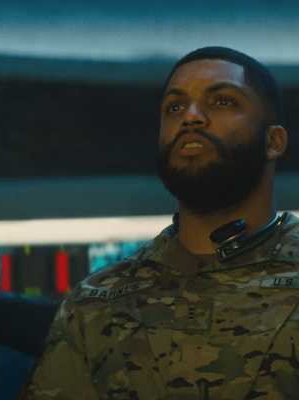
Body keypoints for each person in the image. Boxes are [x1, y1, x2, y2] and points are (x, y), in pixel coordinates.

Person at [20, 46, 299, 399]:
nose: (191, 117)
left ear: (274, 141)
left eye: (222, 101)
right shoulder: (98, 302)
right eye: (175, 107)